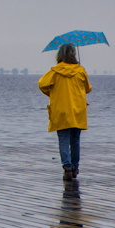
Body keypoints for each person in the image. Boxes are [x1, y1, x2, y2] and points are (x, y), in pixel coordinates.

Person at [38, 44, 92, 180]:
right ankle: (75, 167)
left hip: (61, 110)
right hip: (77, 110)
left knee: (63, 139)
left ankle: (67, 167)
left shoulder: (55, 71)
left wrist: (52, 93)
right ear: (74, 54)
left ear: (60, 55)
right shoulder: (80, 71)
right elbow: (88, 89)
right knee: (75, 140)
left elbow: (42, 84)